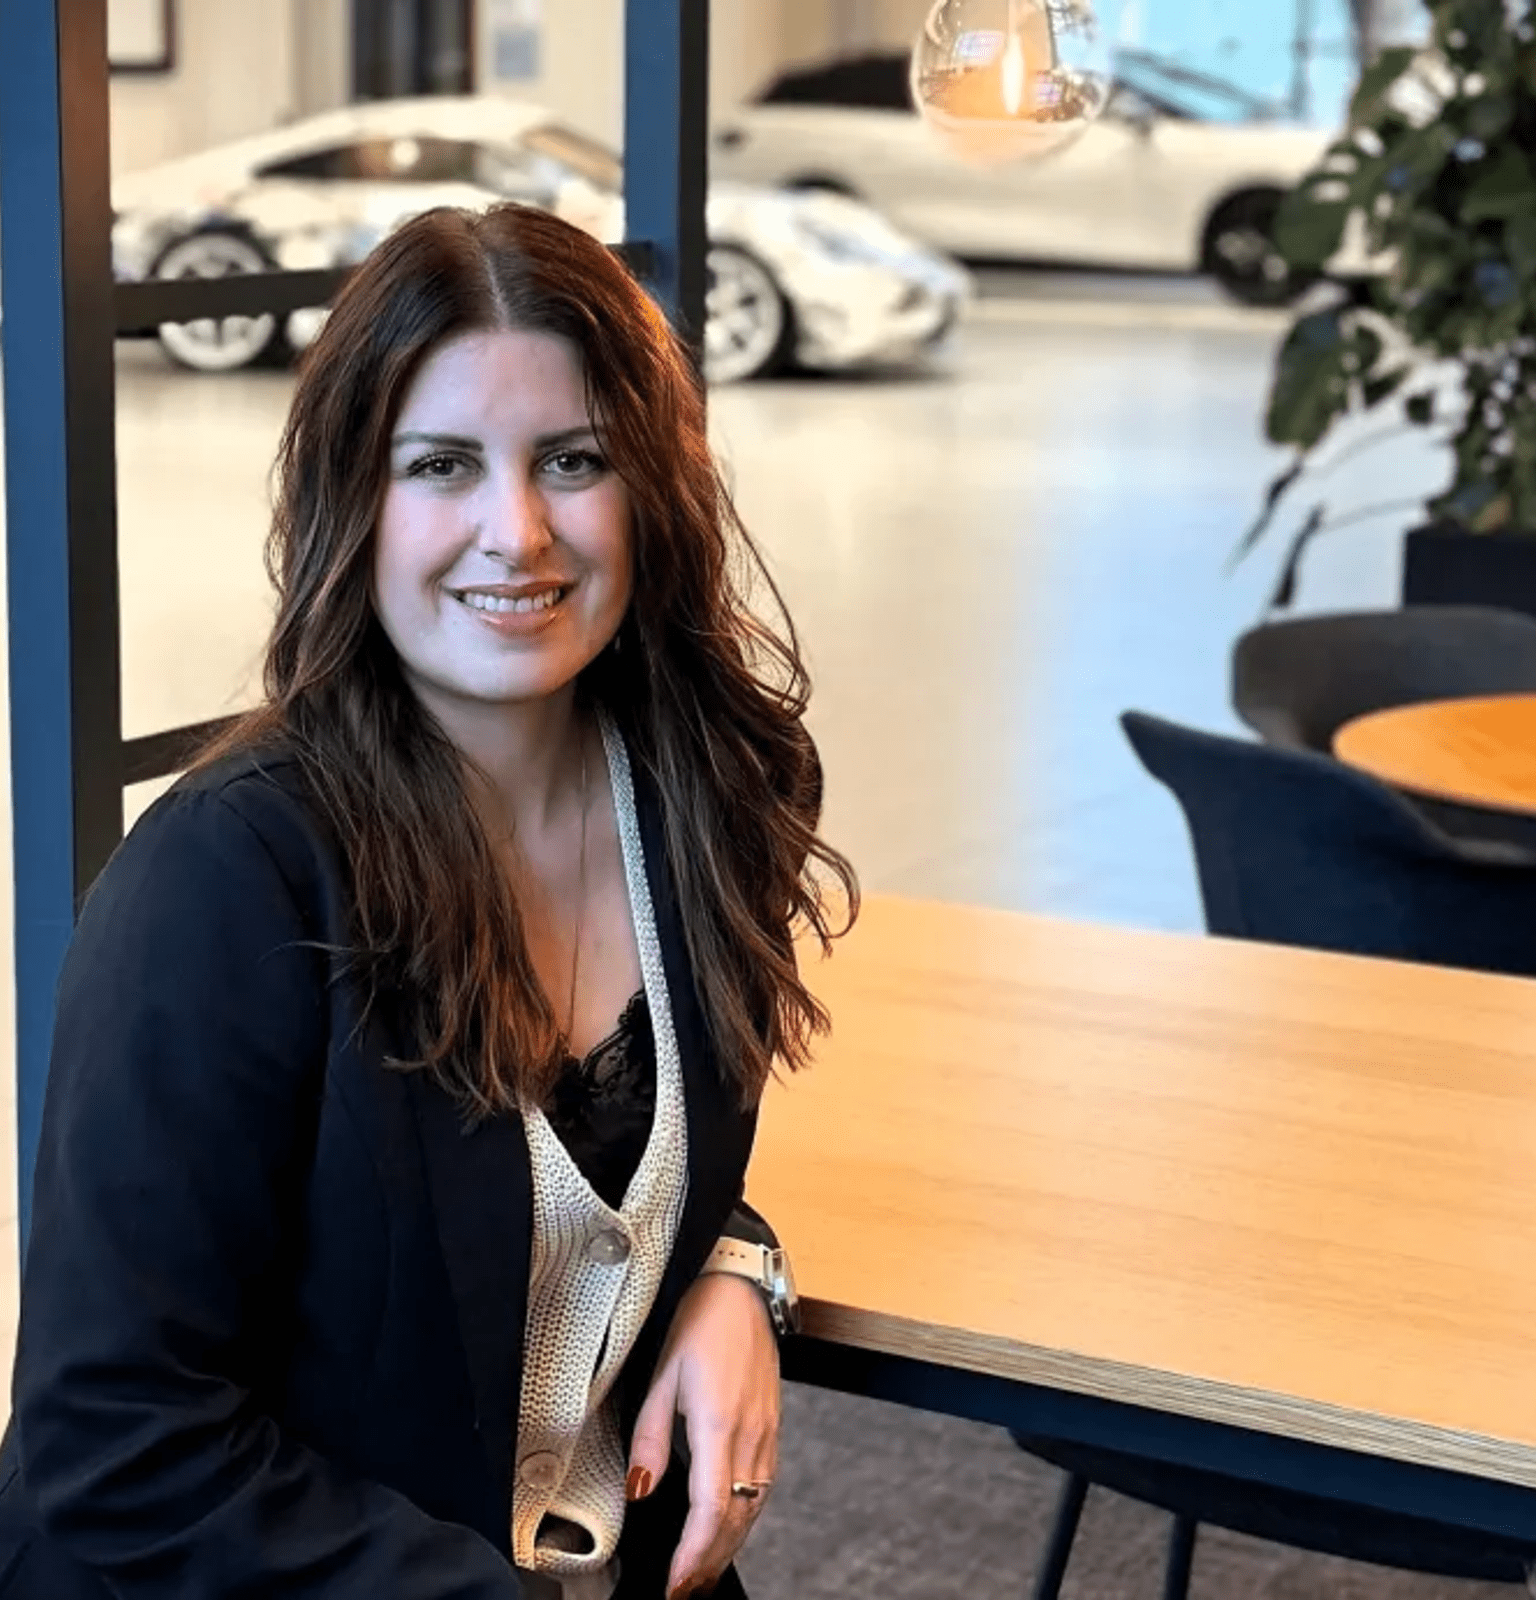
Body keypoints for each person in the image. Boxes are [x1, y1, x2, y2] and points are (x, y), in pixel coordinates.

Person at [0, 202, 857, 1600]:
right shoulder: (226, 877)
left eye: (574, 459)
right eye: (441, 465)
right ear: (355, 502)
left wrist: (735, 1268)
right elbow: (113, 1440)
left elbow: (619, 1178)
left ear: (650, 488)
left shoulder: (714, 800)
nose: (516, 532)